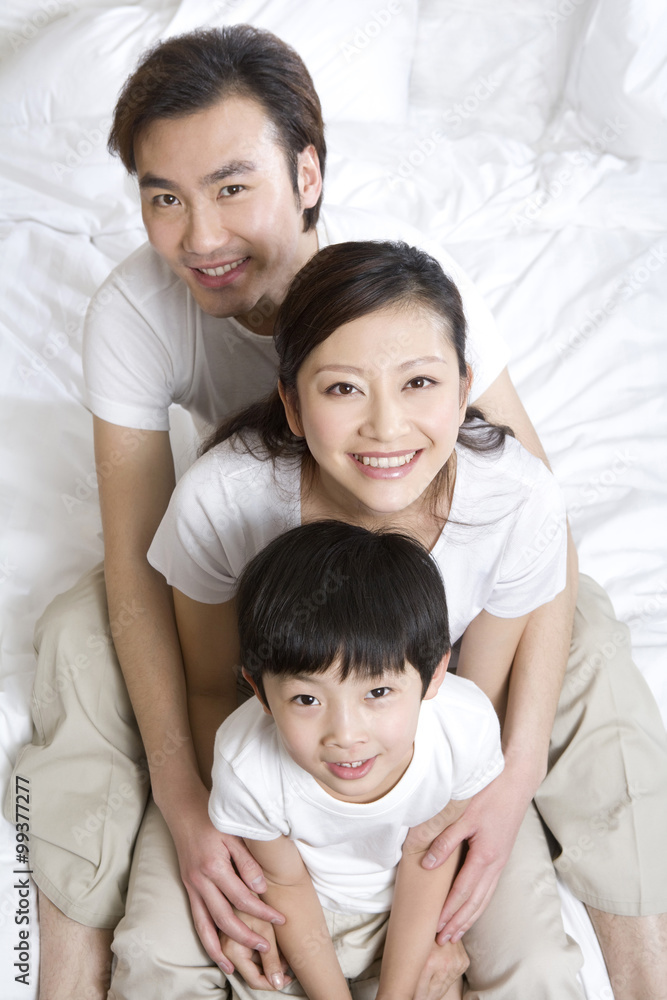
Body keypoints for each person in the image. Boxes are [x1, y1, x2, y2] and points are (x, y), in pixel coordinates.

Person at [5, 25, 666, 1000]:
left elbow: (533, 502)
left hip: (422, 561)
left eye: (232, 187)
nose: (200, 236)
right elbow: (145, 563)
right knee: (74, 635)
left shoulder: (407, 286)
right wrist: (193, 806)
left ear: (307, 172)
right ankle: (63, 976)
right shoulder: (146, 326)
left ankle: (644, 972)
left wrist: (507, 770)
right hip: (250, 560)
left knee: (588, 633)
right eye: (163, 198)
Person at [209, 519, 504, 1000]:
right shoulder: (246, 765)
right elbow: (285, 882)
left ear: (434, 676)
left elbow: (426, 856)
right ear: (261, 693)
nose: (345, 736)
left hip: (413, 910)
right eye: (307, 700)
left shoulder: (463, 731)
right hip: (301, 911)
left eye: (379, 692)